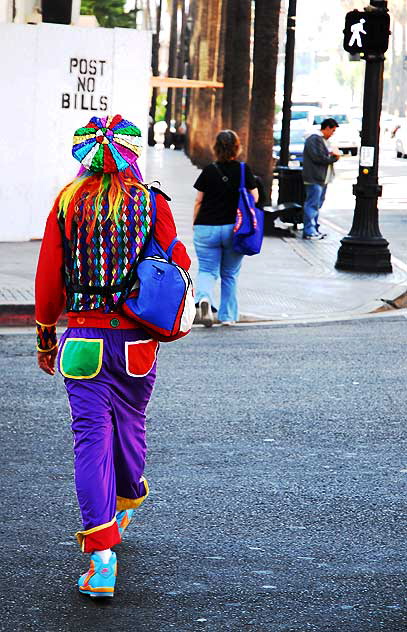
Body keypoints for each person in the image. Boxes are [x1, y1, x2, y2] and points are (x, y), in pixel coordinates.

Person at [35, 114, 190, 598]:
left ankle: (101, 558)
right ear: (129, 154)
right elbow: (178, 262)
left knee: (89, 439)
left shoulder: (66, 202)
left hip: (82, 341)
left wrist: (45, 335)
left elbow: (47, 278)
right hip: (136, 344)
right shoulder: (152, 203)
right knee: (131, 424)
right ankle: (127, 496)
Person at [193, 129, 258, 326]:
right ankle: (228, 316)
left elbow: (199, 201)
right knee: (229, 274)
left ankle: (204, 300)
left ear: (216, 147)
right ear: (236, 147)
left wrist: (195, 223)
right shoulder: (243, 170)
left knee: (206, 270)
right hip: (234, 228)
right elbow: (254, 197)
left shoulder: (209, 170)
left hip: (206, 226)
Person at [302, 118, 340, 240]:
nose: (332, 134)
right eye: (332, 131)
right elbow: (318, 158)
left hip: (321, 178)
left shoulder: (321, 140)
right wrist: (334, 158)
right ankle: (309, 230)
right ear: (327, 128)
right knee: (312, 204)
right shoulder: (315, 139)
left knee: (316, 204)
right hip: (315, 178)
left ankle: (314, 228)